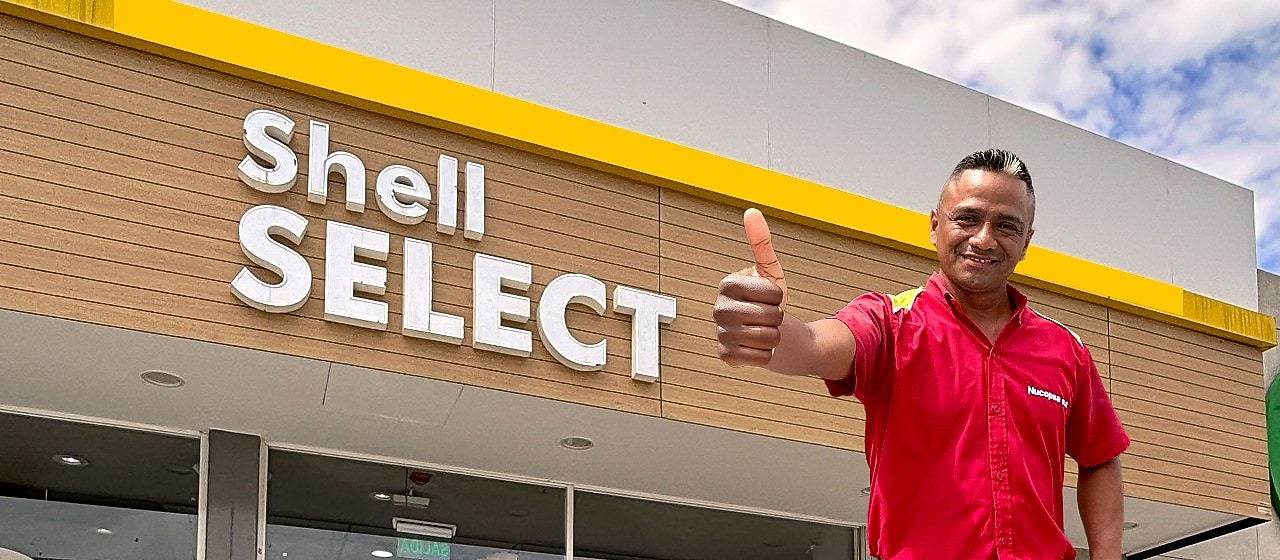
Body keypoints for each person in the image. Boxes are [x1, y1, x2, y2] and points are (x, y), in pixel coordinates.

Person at [713, 149, 1129, 560]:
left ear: (1026, 242)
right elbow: (813, 346)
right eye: (967, 218)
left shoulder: (1064, 349)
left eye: (1007, 225)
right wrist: (771, 328)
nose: (984, 238)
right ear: (934, 225)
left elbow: (1101, 457)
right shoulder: (891, 323)